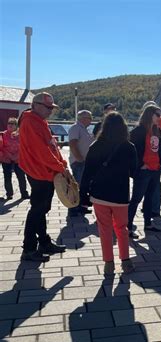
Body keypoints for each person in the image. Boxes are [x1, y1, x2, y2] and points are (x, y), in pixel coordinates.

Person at [80, 112, 137, 274]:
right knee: (122, 228)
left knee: (104, 229)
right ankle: (125, 261)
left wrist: (83, 195)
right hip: (120, 195)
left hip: (99, 195)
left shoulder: (96, 146)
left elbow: (87, 173)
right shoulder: (129, 147)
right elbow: (134, 172)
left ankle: (108, 263)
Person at [18, 92, 67, 262]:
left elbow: (51, 146)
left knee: (42, 209)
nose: (51, 111)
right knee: (37, 209)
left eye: (52, 108)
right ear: (36, 104)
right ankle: (29, 248)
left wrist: (62, 162)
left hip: (45, 172)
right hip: (39, 172)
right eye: (48, 107)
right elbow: (41, 152)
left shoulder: (40, 121)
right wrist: (61, 167)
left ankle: (44, 242)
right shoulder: (31, 122)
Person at [128, 105, 161, 238]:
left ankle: (148, 224)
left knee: (149, 197)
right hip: (144, 170)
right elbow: (132, 150)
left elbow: (159, 149)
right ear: (150, 115)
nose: (160, 118)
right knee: (136, 199)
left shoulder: (157, 130)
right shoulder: (138, 131)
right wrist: (141, 165)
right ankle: (128, 226)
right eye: (158, 115)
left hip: (155, 169)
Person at [68, 110, 94, 216]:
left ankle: (81, 206)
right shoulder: (75, 128)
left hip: (84, 162)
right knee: (76, 186)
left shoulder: (83, 129)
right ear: (83, 118)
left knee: (82, 186)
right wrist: (79, 158)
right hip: (78, 162)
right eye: (89, 118)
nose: (91, 120)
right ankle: (73, 208)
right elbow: (72, 143)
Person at [0, 118, 29, 200]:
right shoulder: (3, 135)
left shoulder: (21, 135)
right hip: (6, 159)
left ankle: (24, 194)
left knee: (21, 176)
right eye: (9, 123)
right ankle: (9, 194)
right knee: (7, 177)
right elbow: (1, 147)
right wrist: (8, 155)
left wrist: (17, 155)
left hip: (18, 159)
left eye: (13, 123)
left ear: (16, 126)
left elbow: (24, 146)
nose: (10, 125)